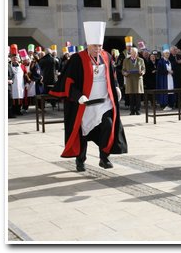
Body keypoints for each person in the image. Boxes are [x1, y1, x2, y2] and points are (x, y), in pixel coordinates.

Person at [49, 21, 127, 172]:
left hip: (103, 103)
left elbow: (112, 75)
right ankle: (80, 161)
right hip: (85, 104)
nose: (97, 49)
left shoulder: (107, 57)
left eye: (99, 46)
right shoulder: (77, 59)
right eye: (94, 46)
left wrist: (116, 86)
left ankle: (104, 157)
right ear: (88, 45)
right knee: (82, 133)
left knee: (108, 126)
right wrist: (78, 96)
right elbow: (68, 81)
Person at [122, 47, 145, 115]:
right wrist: (125, 73)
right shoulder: (126, 60)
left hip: (138, 79)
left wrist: (142, 72)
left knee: (138, 95)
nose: (134, 54)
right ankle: (132, 110)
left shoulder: (140, 60)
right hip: (130, 79)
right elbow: (123, 70)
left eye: (135, 53)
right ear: (130, 53)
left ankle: (138, 110)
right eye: (133, 53)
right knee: (131, 95)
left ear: (137, 53)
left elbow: (144, 69)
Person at [156, 44, 175, 110]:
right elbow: (160, 70)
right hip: (164, 79)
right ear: (163, 54)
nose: (167, 55)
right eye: (166, 53)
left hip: (170, 78)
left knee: (170, 90)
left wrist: (172, 72)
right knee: (165, 91)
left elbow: (173, 69)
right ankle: (164, 104)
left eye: (168, 53)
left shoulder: (170, 61)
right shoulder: (160, 62)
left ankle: (170, 104)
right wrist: (167, 72)